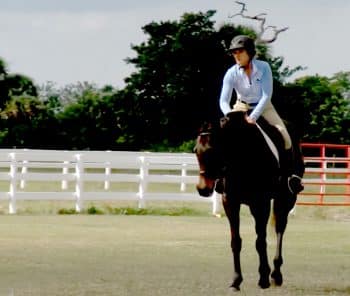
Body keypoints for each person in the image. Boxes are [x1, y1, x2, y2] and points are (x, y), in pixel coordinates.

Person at [219, 35, 303, 194]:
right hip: (239, 108)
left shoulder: (264, 67)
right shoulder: (231, 73)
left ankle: (290, 177)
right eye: (234, 52)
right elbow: (223, 100)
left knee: (285, 137)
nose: (236, 55)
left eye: (239, 51)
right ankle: (220, 178)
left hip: (264, 107)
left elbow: (266, 95)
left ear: (249, 52)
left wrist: (254, 117)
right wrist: (231, 116)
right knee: (221, 137)